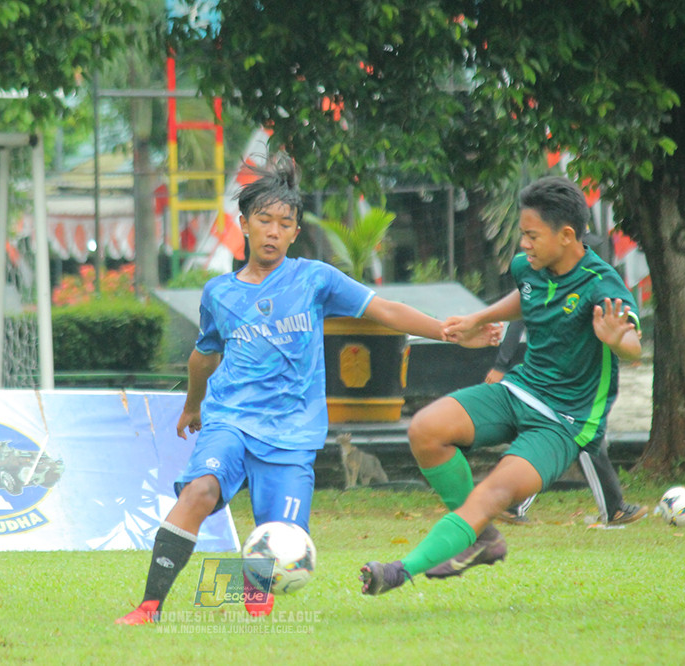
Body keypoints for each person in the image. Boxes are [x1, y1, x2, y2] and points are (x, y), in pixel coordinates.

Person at [116, 154, 501, 625]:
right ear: (245, 225)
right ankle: (149, 606)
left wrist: (447, 329)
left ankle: (256, 601)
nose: (274, 231)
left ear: (296, 232)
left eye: (285, 223)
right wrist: (192, 405)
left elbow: (385, 311)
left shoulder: (314, 278)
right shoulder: (219, 292)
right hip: (229, 421)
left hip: (292, 434)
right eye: (264, 221)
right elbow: (203, 356)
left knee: (279, 539)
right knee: (198, 491)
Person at [359, 175, 642, 595]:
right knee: (425, 429)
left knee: (494, 492)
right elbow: (525, 295)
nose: (524, 244)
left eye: (531, 235)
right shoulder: (527, 266)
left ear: (567, 236)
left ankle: (401, 570)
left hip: (563, 421)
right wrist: (479, 318)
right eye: (522, 234)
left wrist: (621, 342)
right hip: (519, 390)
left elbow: (632, 343)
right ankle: (482, 538)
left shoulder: (602, 284)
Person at [488, 319, 648, 527]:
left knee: (566, 436)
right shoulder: (545, 289)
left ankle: (511, 504)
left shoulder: (586, 292)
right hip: (559, 376)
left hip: (575, 375)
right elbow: (518, 321)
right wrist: (501, 365)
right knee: (580, 434)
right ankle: (613, 508)